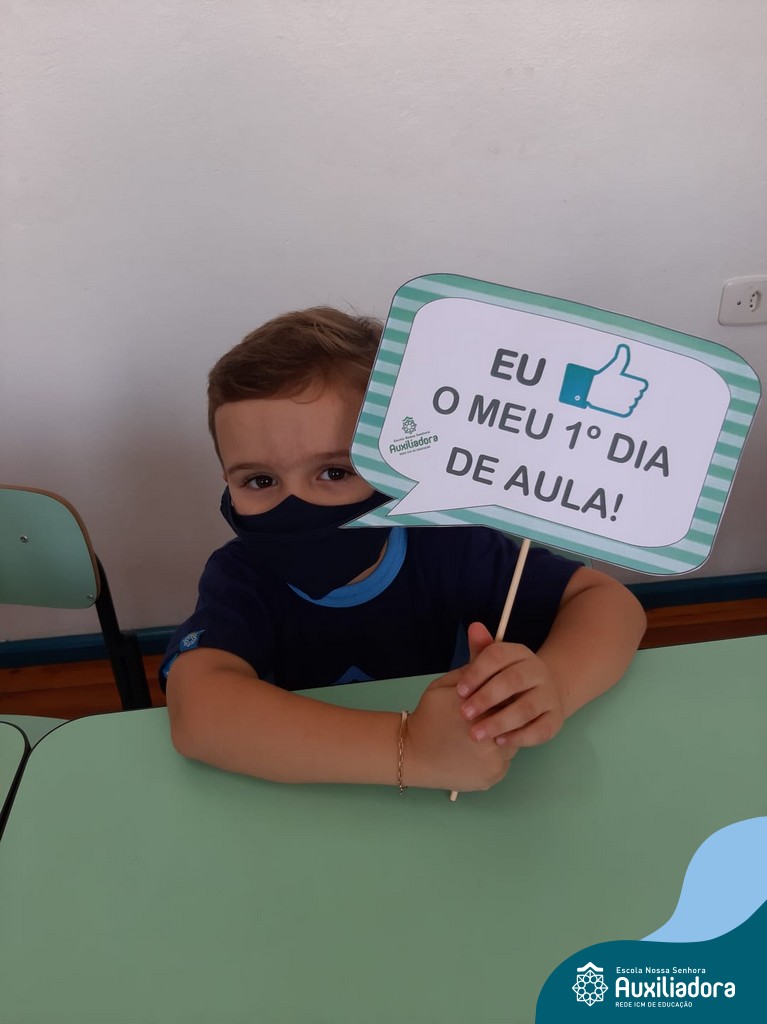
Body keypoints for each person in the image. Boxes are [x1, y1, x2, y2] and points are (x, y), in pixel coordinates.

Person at [163, 307, 646, 793]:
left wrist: (552, 688)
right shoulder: (241, 574)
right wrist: (411, 750)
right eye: (259, 480)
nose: (295, 505)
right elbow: (198, 712)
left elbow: (609, 603)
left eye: (335, 472)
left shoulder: (448, 541)